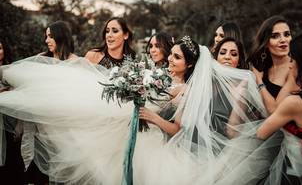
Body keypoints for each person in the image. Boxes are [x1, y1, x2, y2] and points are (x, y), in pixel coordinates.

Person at [0, 35, 267, 184]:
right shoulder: (161, 78)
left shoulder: (188, 91)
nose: (170, 60)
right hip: (137, 134)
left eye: (176, 57)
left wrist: (150, 115)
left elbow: (177, 129)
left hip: (161, 148)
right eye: (171, 54)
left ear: (188, 65)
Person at [256, 30, 302, 184]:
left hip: (297, 175)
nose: (289, 64)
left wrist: (291, 81)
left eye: (292, 59)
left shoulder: (294, 103)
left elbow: (261, 133)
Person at [23, 20, 77, 185]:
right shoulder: (41, 60)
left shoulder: (76, 63)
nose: (47, 40)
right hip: (42, 128)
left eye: (51, 36)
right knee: (40, 172)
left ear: (61, 37)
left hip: (65, 130)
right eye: (46, 36)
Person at [247, 15, 300, 114]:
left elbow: (275, 111)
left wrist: (259, 81)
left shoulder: (295, 68)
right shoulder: (263, 68)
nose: (283, 40)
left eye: (287, 34)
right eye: (275, 36)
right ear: (266, 43)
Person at [0, 39, 25, 185]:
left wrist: (20, 124)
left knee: (13, 160)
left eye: (0, 48)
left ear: (5, 51)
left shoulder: (11, 72)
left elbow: (21, 99)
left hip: (9, 123)